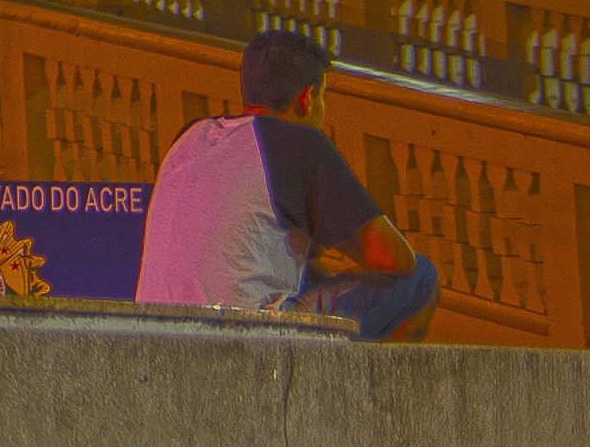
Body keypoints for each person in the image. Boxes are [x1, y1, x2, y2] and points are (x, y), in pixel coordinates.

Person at [133, 26, 434, 340]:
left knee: (307, 269)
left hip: (155, 333)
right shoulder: (299, 143)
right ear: (307, 98)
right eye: (323, 98)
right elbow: (393, 258)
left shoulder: (192, 135)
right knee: (419, 276)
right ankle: (373, 385)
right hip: (247, 337)